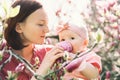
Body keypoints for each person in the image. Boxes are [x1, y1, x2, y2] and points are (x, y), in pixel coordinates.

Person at [0, 0, 64, 80]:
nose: (47, 30)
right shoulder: (2, 59)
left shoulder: (50, 53)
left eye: (46, 24)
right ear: (19, 27)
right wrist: (42, 69)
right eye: (40, 24)